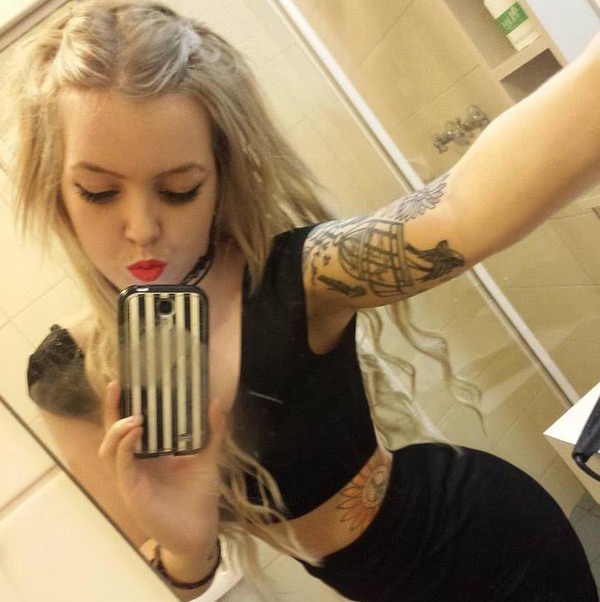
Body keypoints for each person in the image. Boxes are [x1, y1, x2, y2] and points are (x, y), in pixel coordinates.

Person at [11, 1, 599, 600]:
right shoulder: (63, 374)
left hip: (489, 540)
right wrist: (187, 547)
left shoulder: (293, 275)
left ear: (220, 179)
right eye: (99, 192)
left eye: (181, 189)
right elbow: (165, 580)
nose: (142, 229)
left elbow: (457, 212)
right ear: (55, 190)